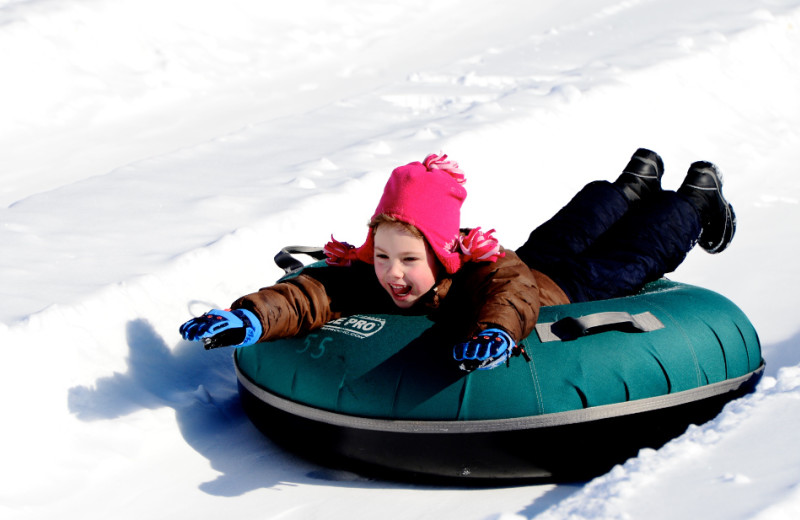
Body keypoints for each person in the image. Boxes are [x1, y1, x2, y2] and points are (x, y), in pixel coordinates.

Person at [179, 149, 735, 371]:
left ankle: (695, 199)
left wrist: (495, 334)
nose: (392, 274)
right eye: (382, 257)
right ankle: (632, 183)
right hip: (540, 259)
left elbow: (510, 295)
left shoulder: (480, 270)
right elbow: (315, 291)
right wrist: (252, 315)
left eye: (408, 260)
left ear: (443, 256)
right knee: (572, 228)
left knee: (634, 253)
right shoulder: (382, 273)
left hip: (568, 289)